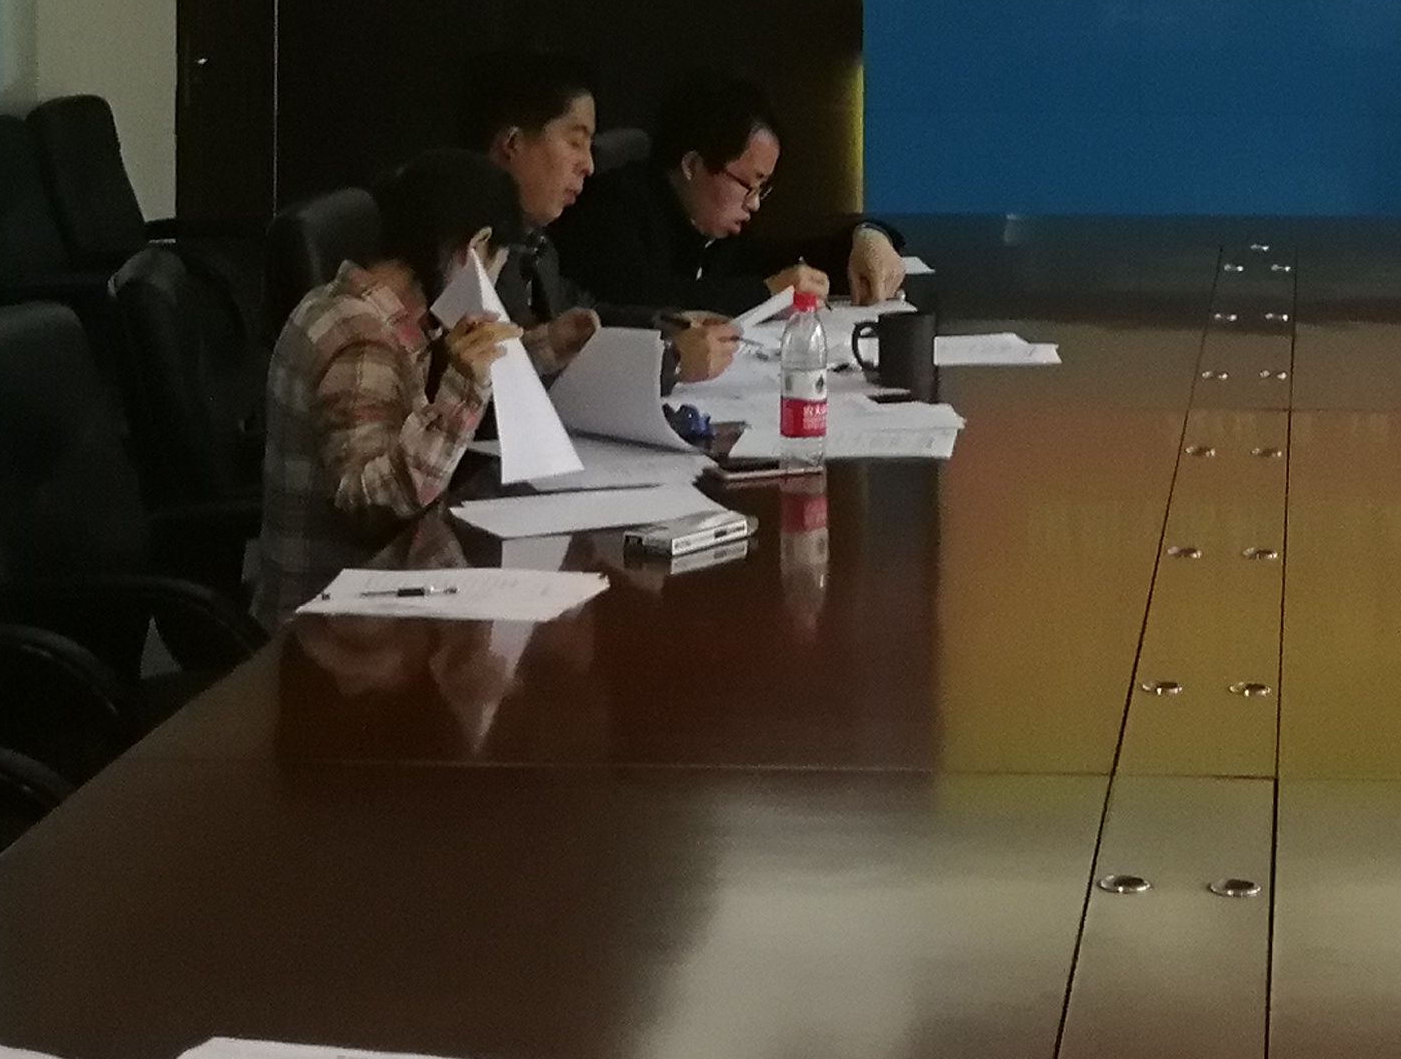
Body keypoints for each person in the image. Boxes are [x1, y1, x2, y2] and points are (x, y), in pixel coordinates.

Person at [249, 146, 525, 626]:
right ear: (474, 249)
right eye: (495, 264)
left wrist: (539, 348)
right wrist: (463, 393)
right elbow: (370, 508)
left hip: (365, 616)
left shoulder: (360, 310)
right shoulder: (363, 338)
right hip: (328, 635)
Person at [558, 70, 910, 332]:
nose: (754, 204)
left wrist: (868, 236)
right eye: (748, 185)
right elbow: (634, 298)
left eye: (762, 189)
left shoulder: (708, 227)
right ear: (692, 165)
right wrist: (765, 293)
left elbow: (786, 259)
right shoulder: (611, 208)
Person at [460, 43, 611, 360]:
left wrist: (668, 328)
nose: (588, 165)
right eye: (575, 142)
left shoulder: (536, 246)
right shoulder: (461, 259)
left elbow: (587, 310)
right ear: (512, 143)